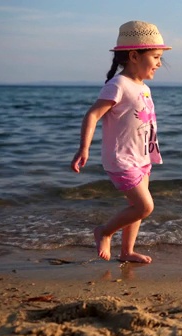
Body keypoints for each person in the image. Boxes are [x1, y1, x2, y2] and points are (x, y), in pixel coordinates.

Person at [71, 21, 172, 263]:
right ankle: (104, 231)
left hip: (141, 156)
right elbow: (93, 114)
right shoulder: (117, 85)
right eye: (156, 57)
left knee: (134, 207)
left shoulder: (143, 87)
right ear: (135, 56)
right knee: (144, 207)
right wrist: (83, 148)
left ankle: (126, 252)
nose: (160, 63)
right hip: (121, 158)